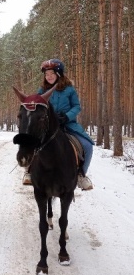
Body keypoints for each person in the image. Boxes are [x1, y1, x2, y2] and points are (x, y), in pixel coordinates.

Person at [22, 58, 94, 190]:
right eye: (46, 74)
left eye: (51, 74)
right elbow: (37, 105)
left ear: (59, 74)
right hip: (48, 126)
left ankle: (81, 175)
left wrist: (67, 116)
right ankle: (29, 171)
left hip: (68, 124)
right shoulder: (42, 90)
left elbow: (77, 107)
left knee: (87, 146)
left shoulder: (69, 90)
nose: (48, 77)